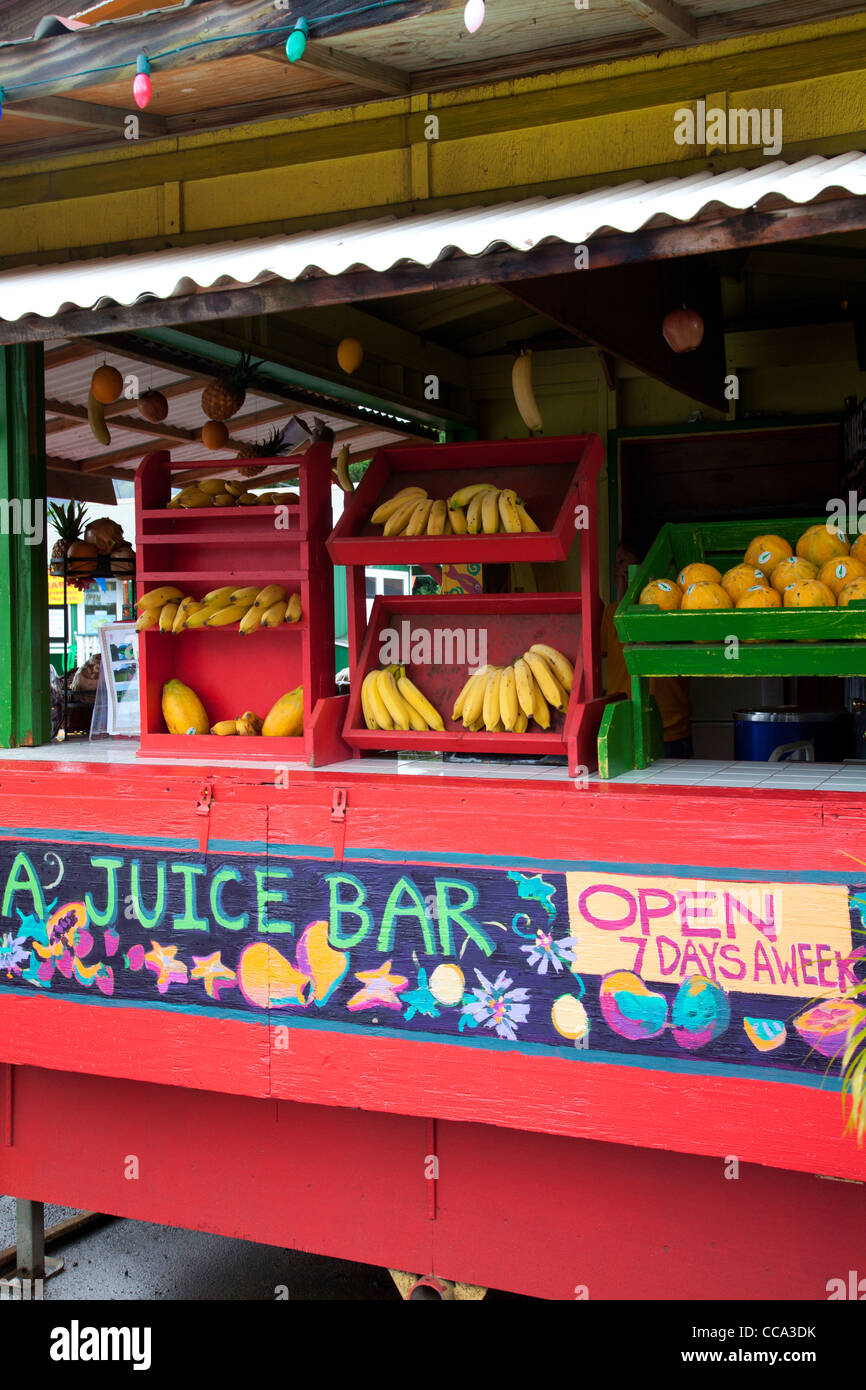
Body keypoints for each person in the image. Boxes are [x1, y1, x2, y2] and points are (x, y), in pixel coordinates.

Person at [600, 543, 693, 758]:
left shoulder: (670, 609)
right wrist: (622, 591)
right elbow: (617, 643)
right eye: (616, 563)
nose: (617, 568)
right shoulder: (611, 613)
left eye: (623, 562)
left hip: (670, 729)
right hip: (623, 726)